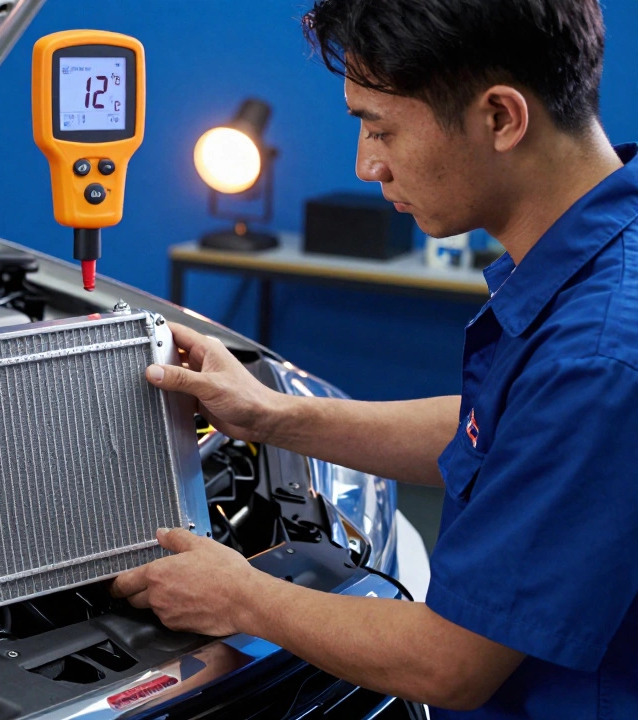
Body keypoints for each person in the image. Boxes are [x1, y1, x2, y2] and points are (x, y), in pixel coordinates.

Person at [110, 0, 638, 716]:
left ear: (501, 119)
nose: (367, 164)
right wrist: (273, 416)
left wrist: (240, 593)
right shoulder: (605, 262)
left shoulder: (599, 353)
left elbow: (449, 662)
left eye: (380, 127)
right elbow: (514, 434)